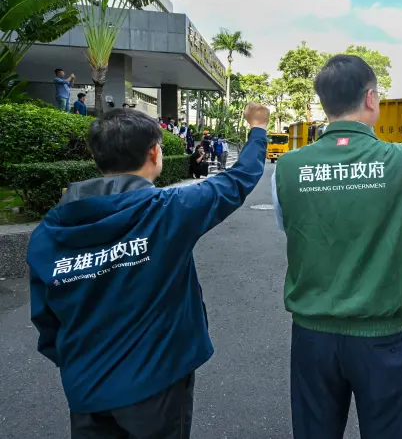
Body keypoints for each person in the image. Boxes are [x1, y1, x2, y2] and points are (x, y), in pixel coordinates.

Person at [26, 103, 269, 438]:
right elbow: (239, 179)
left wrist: (80, 362)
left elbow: (45, 318)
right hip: (158, 385)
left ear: (98, 158)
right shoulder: (169, 212)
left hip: (85, 386)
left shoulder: (48, 233)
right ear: (155, 153)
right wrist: (257, 128)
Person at [272, 55, 402, 439]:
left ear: (325, 103)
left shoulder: (289, 167)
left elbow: (291, 227)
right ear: (371, 98)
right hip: (379, 338)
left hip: (312, 334)